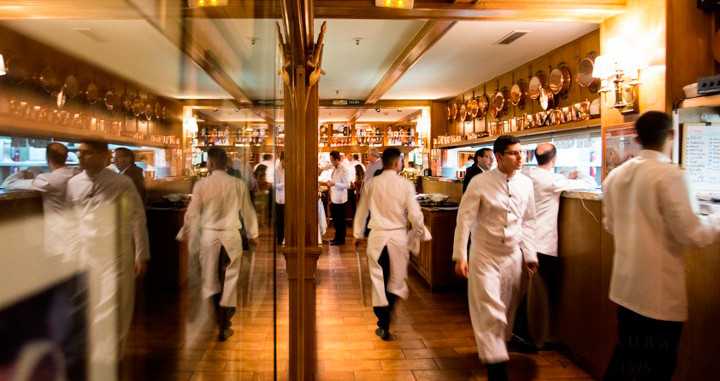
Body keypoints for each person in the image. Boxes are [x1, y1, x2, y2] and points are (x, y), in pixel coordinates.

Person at [602, 111, 720, 380]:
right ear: (671, 135)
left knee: (624, 359)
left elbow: (610, 225)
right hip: (658, 291)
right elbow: (693, 234)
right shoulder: (671, 176)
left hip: (625, 287)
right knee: (658, 368)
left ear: (637, 138)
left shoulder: (615, 176)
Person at [452, 135, 538, 381]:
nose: (520, 157)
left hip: (512, 257)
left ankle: (495, 354)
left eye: (522, 152)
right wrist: (460, 255)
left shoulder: (526, 184)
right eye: (514, 153)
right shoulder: (479, 183)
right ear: (498, 157)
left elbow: (529, 222)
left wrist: (529, 254)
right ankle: (497, 373)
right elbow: (464, 220)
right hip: (484, 255)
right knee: (491, 312)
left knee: (506, 312)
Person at [65, 140, 150, 373]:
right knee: (90, 305)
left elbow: (137, 218)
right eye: (79, 153)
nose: (81, 157)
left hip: (116, 252)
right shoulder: (73, 183)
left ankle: (113, 354)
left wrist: (141, 254)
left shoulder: (121, 183)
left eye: (87, 153)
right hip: (86, 253)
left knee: (115, 303)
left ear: (104, 156)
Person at [512, 142, 597, 351]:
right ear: (554, 159)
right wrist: (579, 174)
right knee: (540, 291)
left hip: (527, 240)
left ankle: (525, 333)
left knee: (532, 289)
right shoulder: (552, 180)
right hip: (544, 243)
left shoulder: (528, 176)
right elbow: (590, 183)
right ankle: (523, 334)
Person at [177, 147, 259, 341]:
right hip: (231, 235)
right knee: (231, 278)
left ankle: (217, 319)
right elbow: (248, 211)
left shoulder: (202, 185)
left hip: (209, 236)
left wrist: (185, 232)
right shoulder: (238, 184)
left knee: (210, 278)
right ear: (227, 164)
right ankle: (226, 322)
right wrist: (253, 234)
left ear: (211, 164)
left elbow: (192, 213)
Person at [353, 148, 425, 341]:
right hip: (398, 239)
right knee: (396, 280)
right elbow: (415, 214)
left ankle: (382, 323)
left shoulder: (371, 184)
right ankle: (387, 316)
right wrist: (421, 231)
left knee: (379, 281)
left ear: (382, 162)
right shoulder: (405, 185)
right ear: (396, 163)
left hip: (377, 238)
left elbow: (362, 211)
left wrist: (357, 233)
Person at [2, 142, 76, 258]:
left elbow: (8, 183)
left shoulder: (47, 180)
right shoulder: (76, 174)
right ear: (66, 157)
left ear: (47, 158)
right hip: (76, 234)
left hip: (58, 238)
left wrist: (24, 172)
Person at [327, 150, 350, 245]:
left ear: (337, 160)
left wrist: (334, 183)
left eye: (332, 160)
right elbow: (329, 167)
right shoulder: (335, 167)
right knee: (336, 221)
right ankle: (336, 237)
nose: (331, 162)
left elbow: (347, 185)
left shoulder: (344, 169)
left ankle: (341, 239)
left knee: (340, 221)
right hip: (334, 198)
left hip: (340, 199)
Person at [275, 152, 285, 245]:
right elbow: (275, 185)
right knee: (281, 220)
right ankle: (280, 239)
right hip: (280, 199)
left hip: (288, 199)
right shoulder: (277, 169)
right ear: (281, 160)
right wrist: (285, 184)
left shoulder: (287, 168)